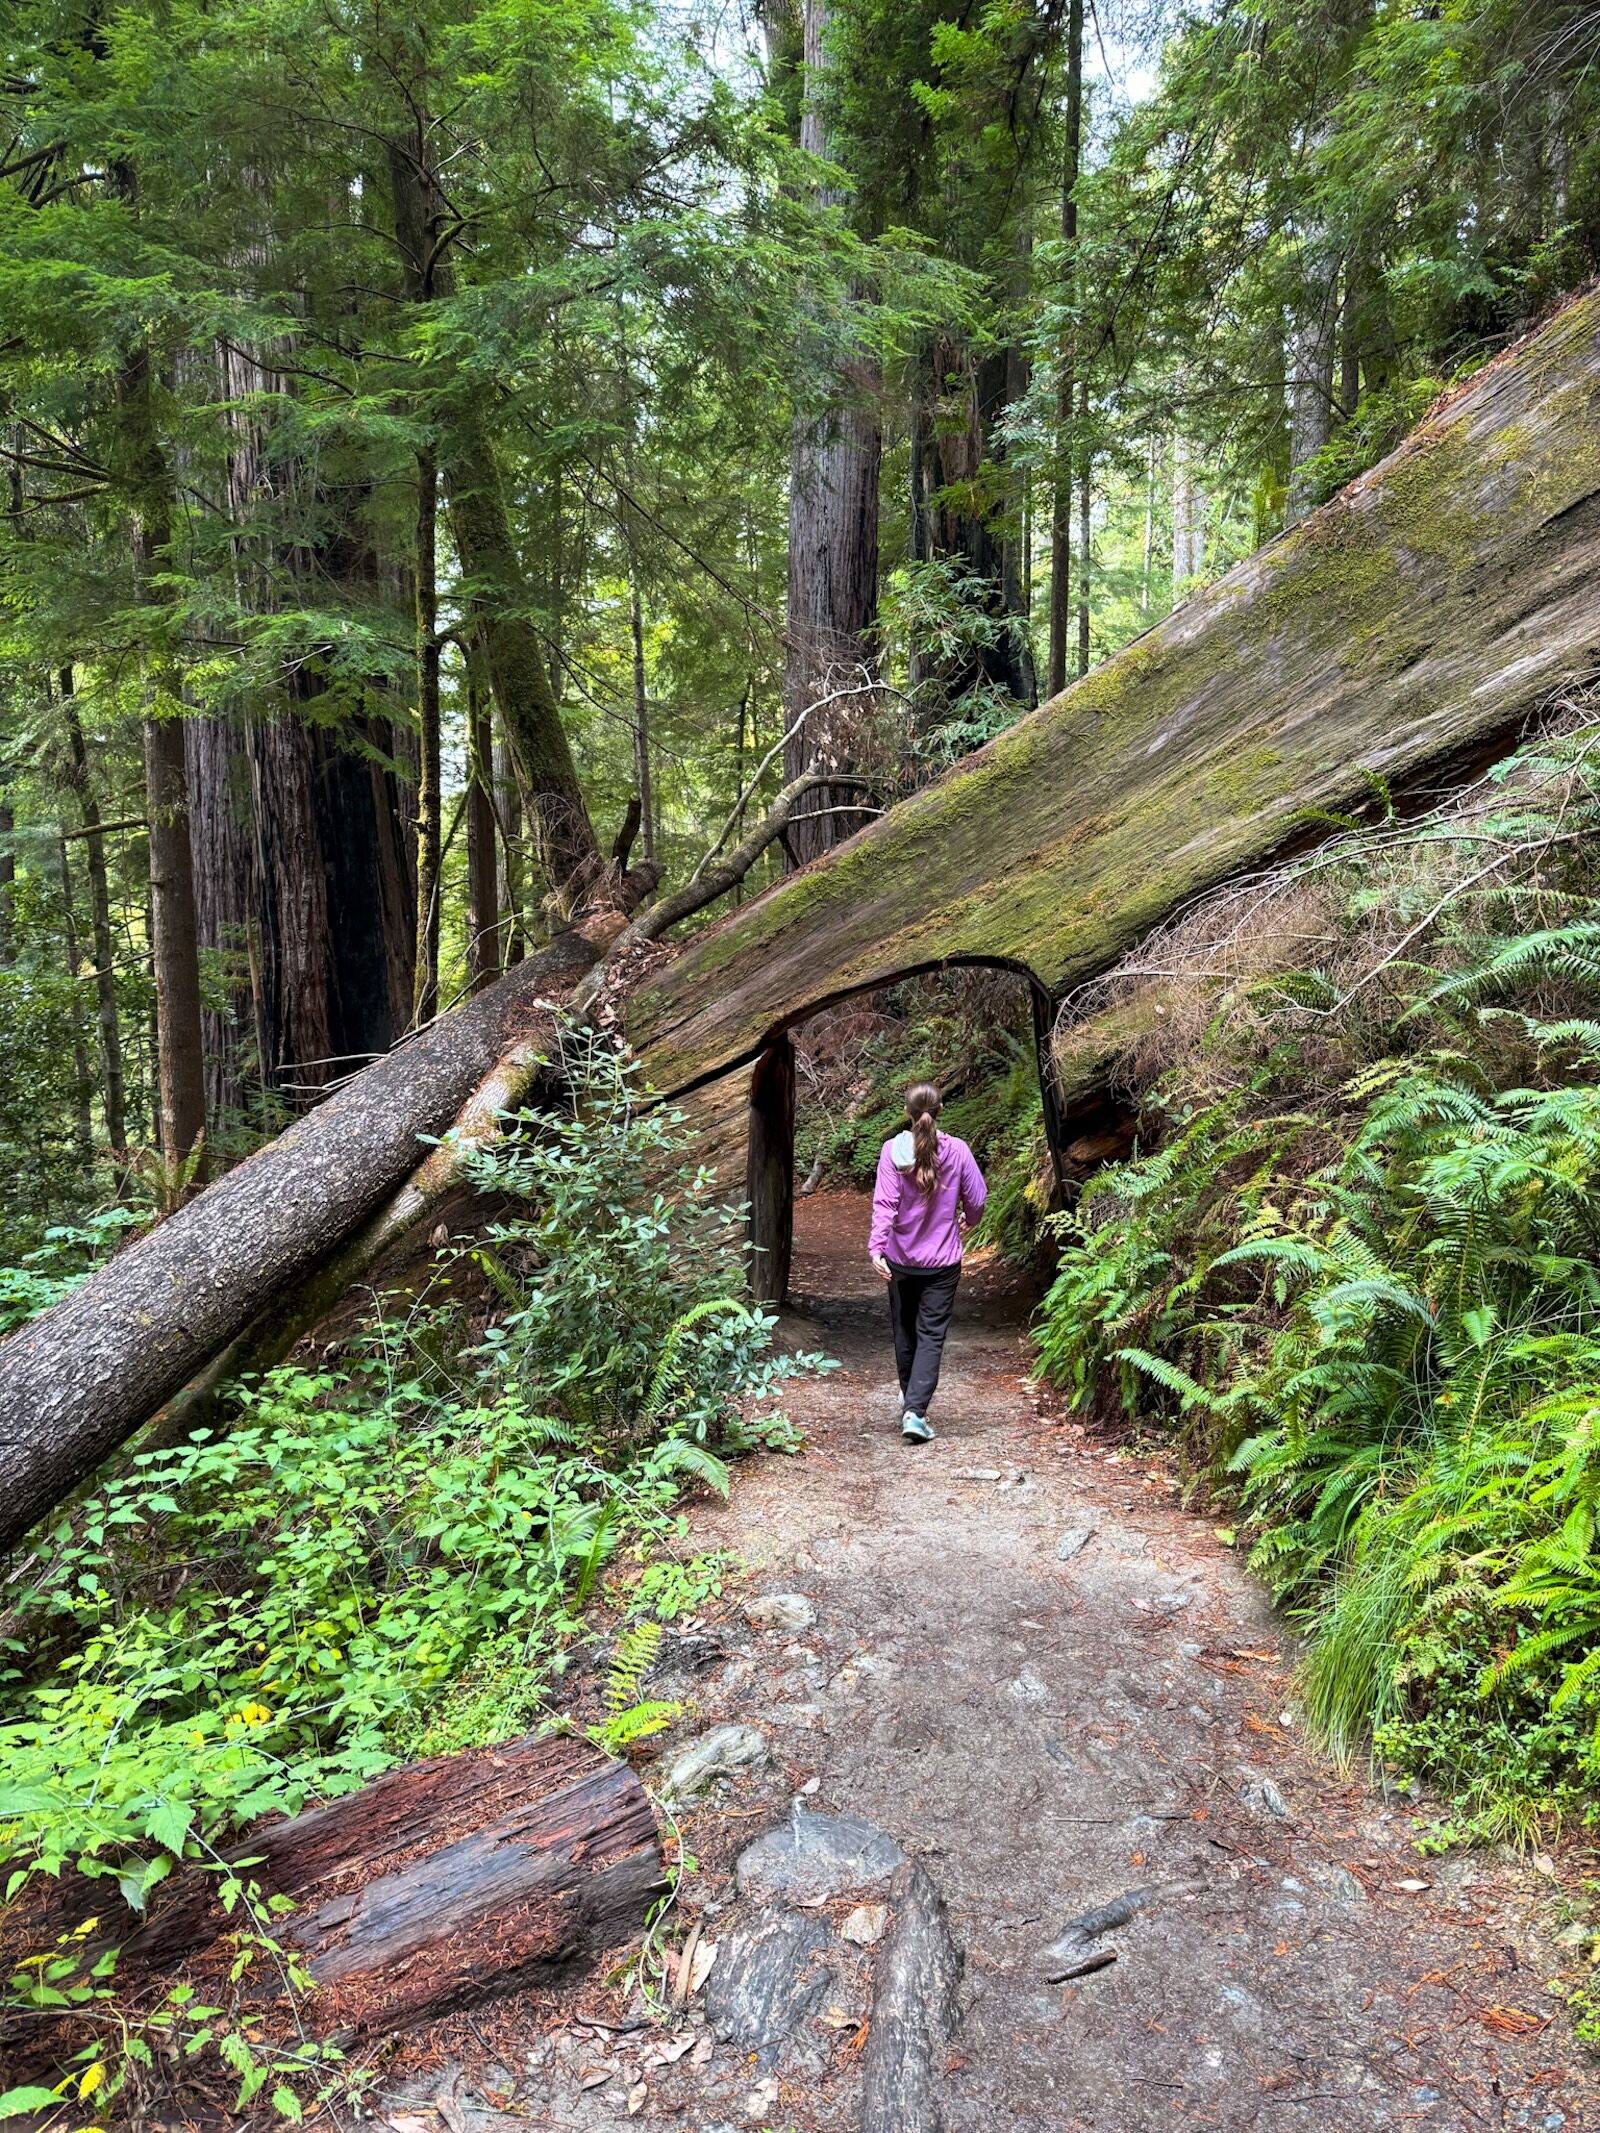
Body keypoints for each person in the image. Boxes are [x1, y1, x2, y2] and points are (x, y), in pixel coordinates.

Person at [868, 1081, 987, 1444]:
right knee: (930, 1335)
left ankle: (912, 1403)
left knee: (904, 1331)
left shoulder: (892, 1152)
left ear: (907, 1112)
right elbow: (978, 1198)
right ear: (940, 1111)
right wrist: (970, 1218)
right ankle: (915, 1412)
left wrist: (877, 1247)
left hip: (900, 1260)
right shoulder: (959, 1151)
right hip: (942, 1262)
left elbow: (885, 1205)